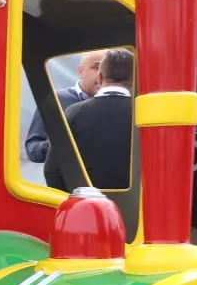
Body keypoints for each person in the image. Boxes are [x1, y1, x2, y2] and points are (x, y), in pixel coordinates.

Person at [53, 47, 135, 191]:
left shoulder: (74, 112)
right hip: (137, 206)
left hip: (85, 203)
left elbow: (53, 169)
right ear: (133, 80)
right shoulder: (143, 114)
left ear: (100, 77)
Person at [26, 49, 104, 166]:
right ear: (81, 71)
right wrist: (55, 145)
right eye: (97, 67)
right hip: (67, 182)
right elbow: (32, 150)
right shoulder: (55, 100)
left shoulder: (121, 103)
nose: (102, 75)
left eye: (107, 70)